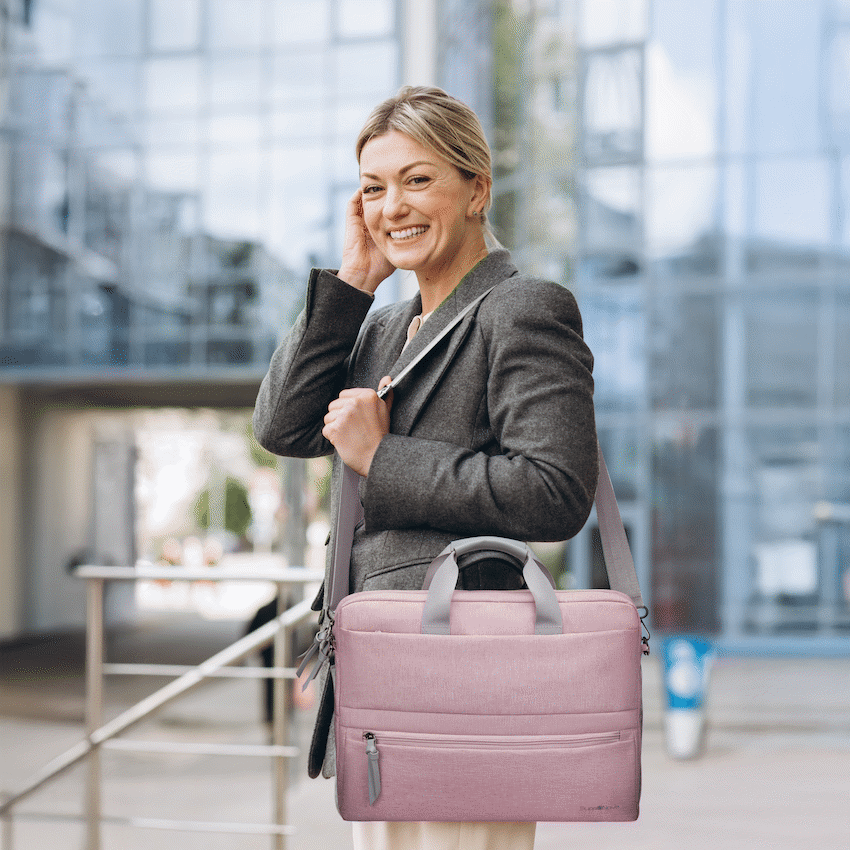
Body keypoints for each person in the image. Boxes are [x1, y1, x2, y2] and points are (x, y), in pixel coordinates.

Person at [253, 85, 598, 850]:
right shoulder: (382, 328)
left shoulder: (524, 307)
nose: (393, 206)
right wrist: (353, 281)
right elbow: (282, 426)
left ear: (476, 190)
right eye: (374, 188)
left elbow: (555, 492)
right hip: (377, 672)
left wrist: (383, 458)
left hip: (465, 672)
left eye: (417, 180)